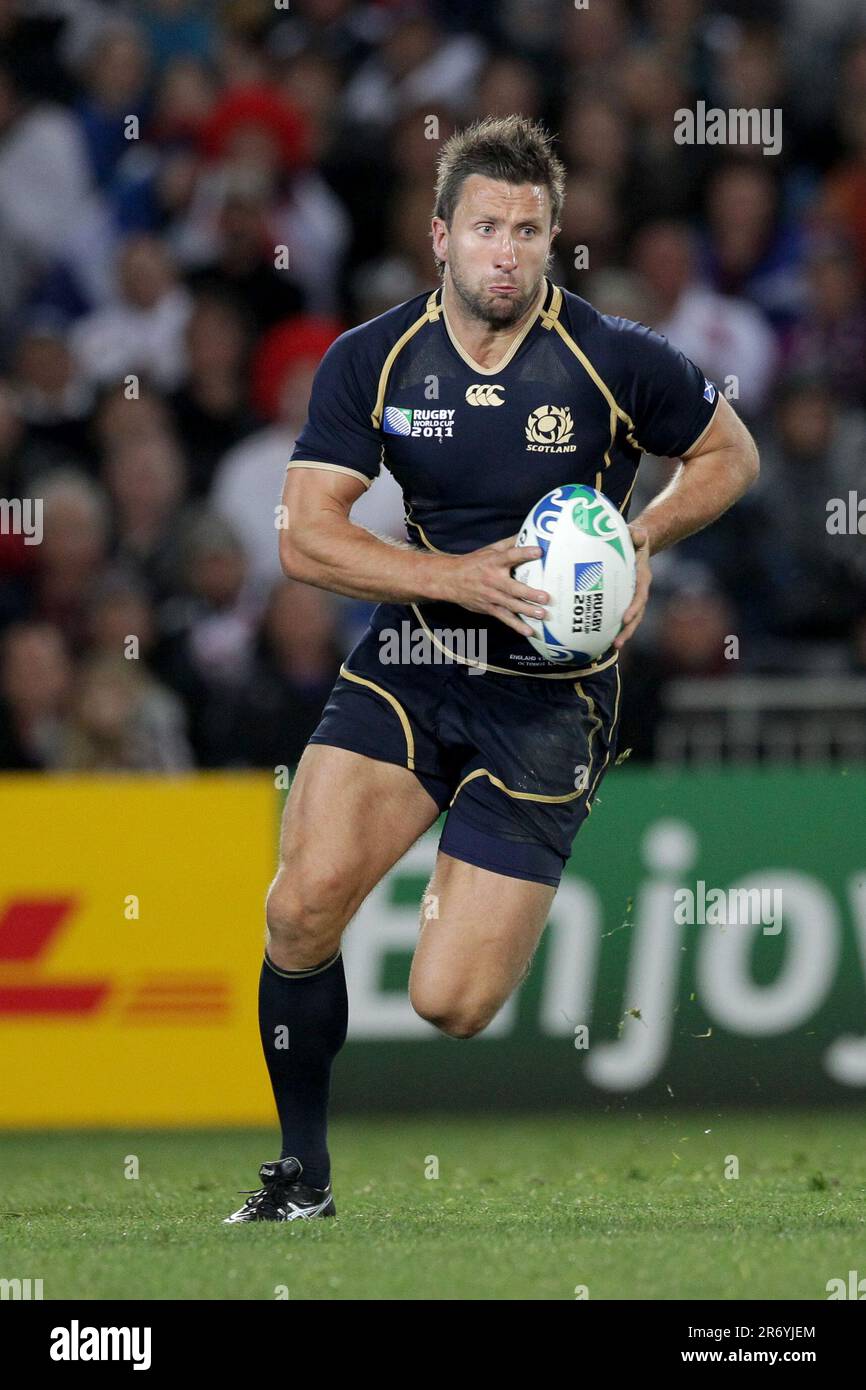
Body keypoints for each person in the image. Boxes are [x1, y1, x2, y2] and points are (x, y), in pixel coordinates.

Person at [224, 115, 759, 1224]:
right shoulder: (369, 357)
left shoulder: (612, 356)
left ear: (552, 238)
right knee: (301, 907)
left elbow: (729, 453)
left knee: (449, 1002)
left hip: (553, 694)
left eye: (526, 229)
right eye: (484, 228)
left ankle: (473, 849)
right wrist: (450, 578)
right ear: (440, 237)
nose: (505, 251)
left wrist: (640, 541)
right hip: (418, 654)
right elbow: (301, 537)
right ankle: (300, 1180)